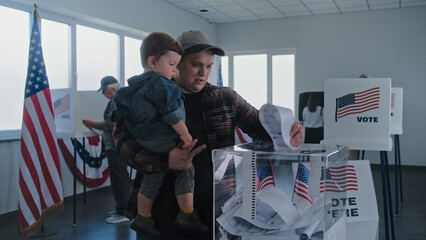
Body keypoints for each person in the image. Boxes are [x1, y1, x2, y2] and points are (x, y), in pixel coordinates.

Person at [114, 30, 305, 240]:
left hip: (213, 215)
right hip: (158, 217)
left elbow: (264, 129)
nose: (203, 72)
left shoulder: (225, 99)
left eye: (209, 66)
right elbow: (123, 145)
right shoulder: (145, 96)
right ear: (177, 63)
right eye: (196, 64)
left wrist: (290, 129)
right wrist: (165, 160)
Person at [113, 32, 207, 236]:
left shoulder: (135, 85)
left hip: (145, 138)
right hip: (159, 137)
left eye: (209, 66)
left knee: (152, 178)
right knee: (186, 168)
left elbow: (119, 106)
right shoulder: (163, 85)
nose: (203, 72)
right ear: (153, 61)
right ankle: (186, 213)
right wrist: (185, 137)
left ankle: (143, 217)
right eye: (174, 64)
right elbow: (171, 113)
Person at [82, 76, 130, 224]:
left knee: (119, 178)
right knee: (120, 177)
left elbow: (112, 124)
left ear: (112, 88)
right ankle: (122, 208)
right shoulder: (117, 101)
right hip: (116, 145)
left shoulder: (117, 102)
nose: (103, 93)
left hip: (116, 146)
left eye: (104, 90)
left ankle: (124, 211)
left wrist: (95, 124)